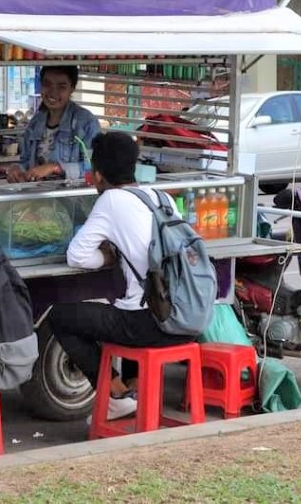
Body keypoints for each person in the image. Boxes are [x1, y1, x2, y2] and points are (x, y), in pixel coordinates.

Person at [47, 131, 194, 422]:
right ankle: (134, 391)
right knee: (128, 300)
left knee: (60, 316)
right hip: (185, 317)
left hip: (151, 324)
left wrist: (108, 257)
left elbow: (77, 256)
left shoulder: (111, 200)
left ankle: (115, 394)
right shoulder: (161, 197)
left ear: (97, 175)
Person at [7, 65, 101, 183]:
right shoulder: (35, 122)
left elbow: (93, 168)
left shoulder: (86, 122)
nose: (53, 92)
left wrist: (56, 168)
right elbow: (26, 161)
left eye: (61, 87)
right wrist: (17, 169)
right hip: (37, 192)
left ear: (72, 88)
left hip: (71, 194)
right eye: (47, 84)